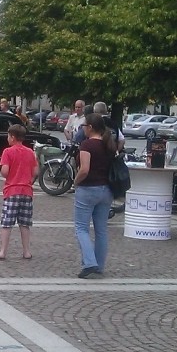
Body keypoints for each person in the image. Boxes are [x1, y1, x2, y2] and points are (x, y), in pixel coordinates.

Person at [73, 113, 117, 278]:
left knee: (81, 228)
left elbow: (84, 169)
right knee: (101, 230)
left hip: (88, 189)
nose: (83, 128)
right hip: (106, 190)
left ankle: (89, 262)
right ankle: (99, 265)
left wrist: (75, 182)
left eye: (84, 125)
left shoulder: (87, 145)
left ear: (90, 127)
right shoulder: (109, 144)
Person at [0, 124, 39, 260]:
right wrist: (29, 181)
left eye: (8, 136)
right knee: (25, 223)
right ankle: (26, 251)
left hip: (12, 190)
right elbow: (36, 171)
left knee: (7, 223)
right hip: (27, 191)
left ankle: (3, 251)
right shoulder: (30, 152)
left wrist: (6, 172)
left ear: (13, 137)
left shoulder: (7, 152)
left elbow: (5, 172)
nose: (7, 138)